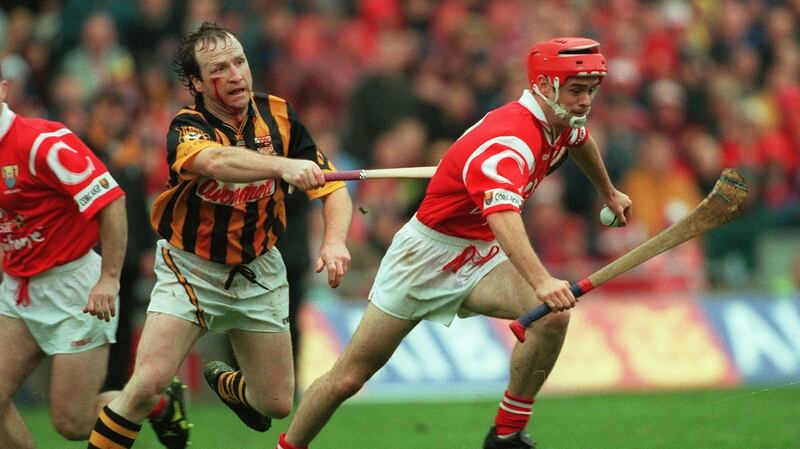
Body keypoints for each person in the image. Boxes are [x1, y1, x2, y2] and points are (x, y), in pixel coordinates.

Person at [275, 37, 632, 449]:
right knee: (348, 379)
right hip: (425, 256)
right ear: (545, 87)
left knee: (551, 317)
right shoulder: (510, 142)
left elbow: (580, 139)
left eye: (590, 90)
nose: (585, 101)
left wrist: (608, 191)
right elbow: (503, 216)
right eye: (576, 90)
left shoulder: (558, 119)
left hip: (479, 254)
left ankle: (506, 433)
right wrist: (540, 281)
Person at [86, 21, 352, 449]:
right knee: (146, 384)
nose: (235, 75)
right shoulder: (187, 126)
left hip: (259, 269)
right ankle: (157, 404)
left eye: (240, 62)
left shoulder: (279, 115)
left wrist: (335, 240)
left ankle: (229, 386)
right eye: (219, 68)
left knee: (277, 403)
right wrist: (281, 167)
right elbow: (216, 163)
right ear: (196, 82)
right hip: (190, 267)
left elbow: (333, 187)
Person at [0, 69, 182, 449]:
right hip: (18, 289)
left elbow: (111, 200)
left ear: (3, 90)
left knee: (73, 422)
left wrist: (109, 279)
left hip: (73, 290)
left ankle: (155, 403)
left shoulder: (42, 142)